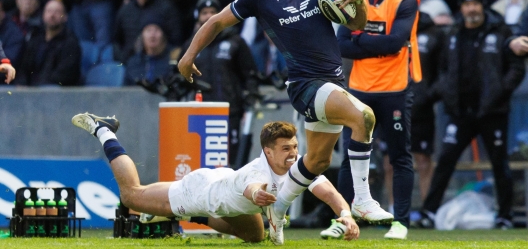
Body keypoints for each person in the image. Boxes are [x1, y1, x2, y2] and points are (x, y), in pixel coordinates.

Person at [178, 0, 393, 245]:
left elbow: (356, 25)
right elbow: (216, 21)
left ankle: (277, 210)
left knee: (317, 161)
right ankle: (362, 200)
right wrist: (188, 56)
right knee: (363, 116)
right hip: (306, 85)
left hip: (331, 83)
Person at [71, 114, 360, 243]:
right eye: (286, 149)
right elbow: (253, 188)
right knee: (133, 195)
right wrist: (260, 197)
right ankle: (104, 129)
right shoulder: (256, 172)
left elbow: (328, 192)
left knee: (255, 236)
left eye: (295, 147)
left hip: (222, 183)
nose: (293, 154)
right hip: (200, 192)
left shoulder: (296, 165)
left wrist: (346, 215)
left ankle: (198, 219)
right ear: (268, 152)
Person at [323, 0, 421, 240]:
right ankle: (343, 218)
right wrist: (379, 43)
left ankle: (400, 222)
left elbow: (395, 43)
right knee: (349, 158)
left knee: (399, 156)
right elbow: (341, 45)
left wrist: (361, 40)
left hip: (395, 89)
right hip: (359, 90)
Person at [418, 0, 525, 230]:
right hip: (460, 112)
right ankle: (429, 212)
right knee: (445, 161)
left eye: (475, 4)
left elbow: (516, 68)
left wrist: (501, 91)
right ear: (461, 8)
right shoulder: (453, 33)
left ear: (483, 6)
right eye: (466, 5)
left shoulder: (500, 32)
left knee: (500, 164)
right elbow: (444, 69)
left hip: (492, 111)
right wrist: (442, 93)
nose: (471, 9)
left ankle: (505, 216)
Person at [180, 0, 260, 167]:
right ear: (197, 17)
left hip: (230, 112)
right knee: (201, 162)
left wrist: (250, 100)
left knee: (231, 162)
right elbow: (181, 77)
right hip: (200, 113)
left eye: (213, 12)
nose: (208, 16)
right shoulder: (190, 46)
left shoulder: (236, 42)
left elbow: (250, 75)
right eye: (204, 12)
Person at [381, 11, 445, 216]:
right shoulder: (384, 26)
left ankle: (428, 212)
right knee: (389, 161)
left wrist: (428, 95)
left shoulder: (432, 33)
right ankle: (393, 210)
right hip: (390, 102)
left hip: (421, 108)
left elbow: (444, 69)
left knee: (423, 161)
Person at [114, 0, 183, 64]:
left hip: (160, 65)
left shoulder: (168, 9)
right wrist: (124, 61)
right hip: (129, 65)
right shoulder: (125, 10)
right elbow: (116, 41)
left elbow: (176, 41)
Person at [16, 0, 81, 86]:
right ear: (43, 15)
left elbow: (65, 75)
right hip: (30, 92)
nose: (52, 15)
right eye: (49, 11)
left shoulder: (71, 42)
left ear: (65, 17)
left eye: (57, 12)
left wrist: (39, 89)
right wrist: (21, 84)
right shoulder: (35, 38)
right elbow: (24, 68)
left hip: (55, 93)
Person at [124, 15, 173, 86]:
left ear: (163, 36)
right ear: (142, 36)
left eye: (156, 30)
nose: (152, 35)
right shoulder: (133, 63)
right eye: (148, 30)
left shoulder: (172, 61)